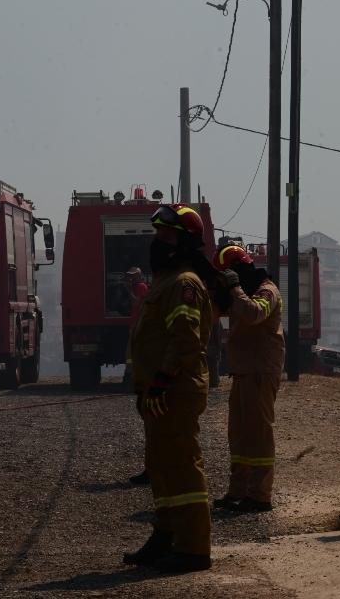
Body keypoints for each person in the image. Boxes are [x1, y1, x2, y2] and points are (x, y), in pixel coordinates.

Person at [123, 204, 213, 574]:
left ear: (185, 244)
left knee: (182, 468)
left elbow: (185, 341)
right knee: (160, 468)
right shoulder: (164, 281)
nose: (157, 243)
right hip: (157, 393)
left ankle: (194, 550)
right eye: (156, 235)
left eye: (166, 237)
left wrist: (161, 381)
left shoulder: (184, 284)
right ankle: (165, 536)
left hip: (174, 390)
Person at [210, 244, 284, 513]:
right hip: (243, 371)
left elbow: (254, 314)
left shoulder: (267, 291)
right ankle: (238, 490)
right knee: (239, 435)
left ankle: (260, 495)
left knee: (259, 434)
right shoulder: (243, 293)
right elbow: (219, 311)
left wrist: (233, 287)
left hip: (260, 371)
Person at [124, 267, 151, 484]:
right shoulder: (140, 286)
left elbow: (135, 303)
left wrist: (127, 290)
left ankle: (130, 375)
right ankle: (130, 374)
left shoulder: (141, 287)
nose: (130, 279)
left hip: (136, 325)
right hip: (134, 325)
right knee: (129, 353)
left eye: (132, 275)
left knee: (131, 353)